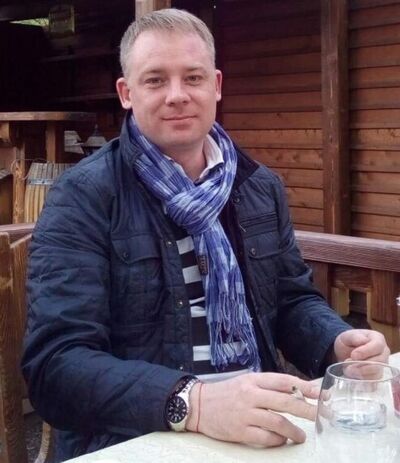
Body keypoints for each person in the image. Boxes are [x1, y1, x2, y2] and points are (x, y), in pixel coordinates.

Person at [22, 8, 389, 462]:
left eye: (192, 78)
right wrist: (195, 403)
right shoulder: (83, 197)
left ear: (215, 85)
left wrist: (336, 342)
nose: (177, 95)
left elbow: (291, 299)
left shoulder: (258, 187)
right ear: (126, 93)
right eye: (155, 80)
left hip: (259, 425)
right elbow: (56, 365)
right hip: (135, 439)